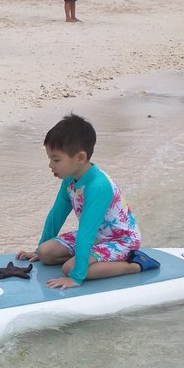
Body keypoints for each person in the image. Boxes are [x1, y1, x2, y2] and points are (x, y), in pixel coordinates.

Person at [16, 114, 150, 289]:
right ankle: (88, 260)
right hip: (96, 237)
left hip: (121, 240)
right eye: (49, 158)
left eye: (56, 159)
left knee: (69, 269)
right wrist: (37, 251)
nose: (50, 164)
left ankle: (132, 266)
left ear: (80, 157)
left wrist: (76, 278)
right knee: (45, 253)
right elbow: (56, 215)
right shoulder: (70, 179)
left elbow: (86, 231)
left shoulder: (98, 186)